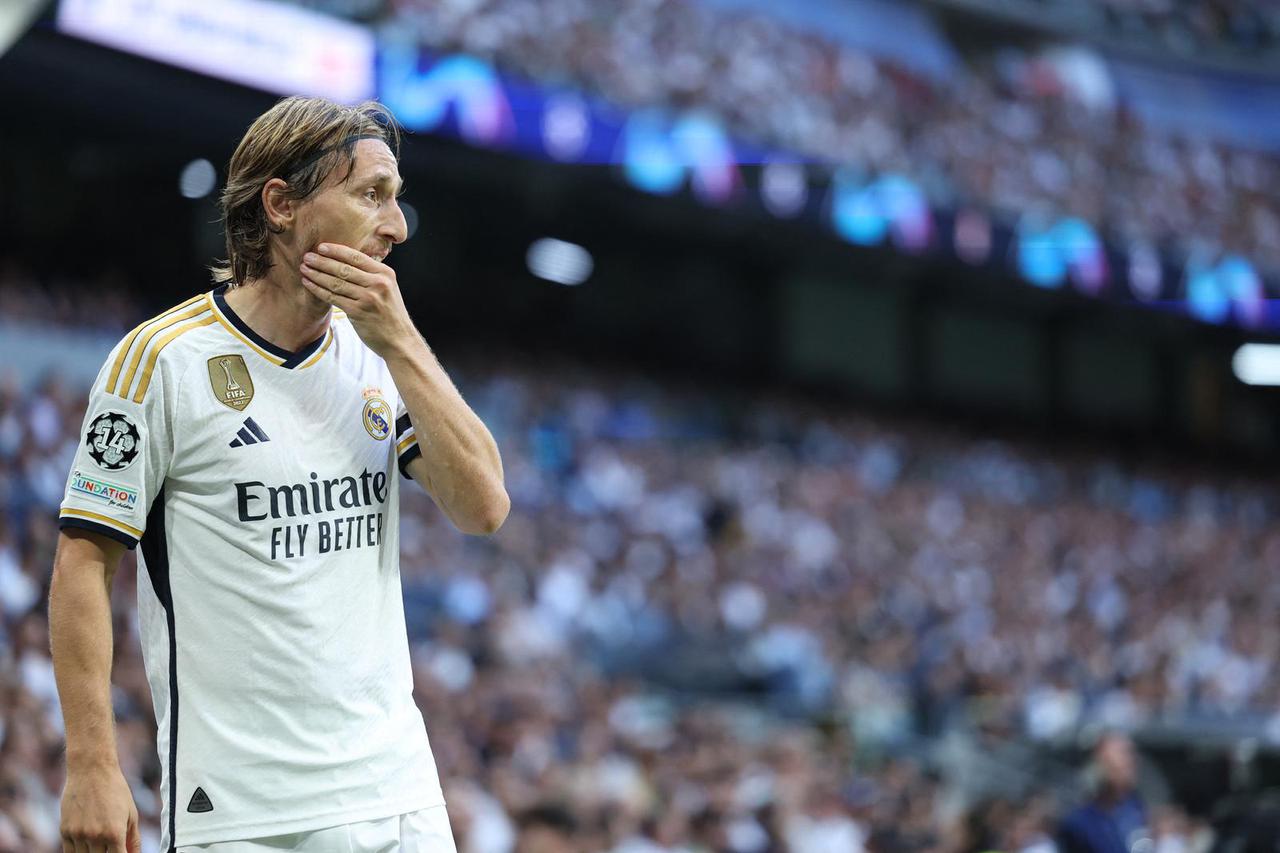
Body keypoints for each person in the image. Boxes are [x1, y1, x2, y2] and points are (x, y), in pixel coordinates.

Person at [48, 96, 509, 853]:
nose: (396, 226)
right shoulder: (161, 361)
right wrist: (92, 762)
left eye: (396, 198)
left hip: (397, 794)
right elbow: (82, 565)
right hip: (245, 813)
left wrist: (401, 341)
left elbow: (484, 507)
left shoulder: (378, 356)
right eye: (371, 195)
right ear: (282, 204)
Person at [1057, 731, 1149, 853]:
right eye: (1124, 755)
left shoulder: (1140, 811)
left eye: (1131, 755)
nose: (1132, 761)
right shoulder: (1079, 825)